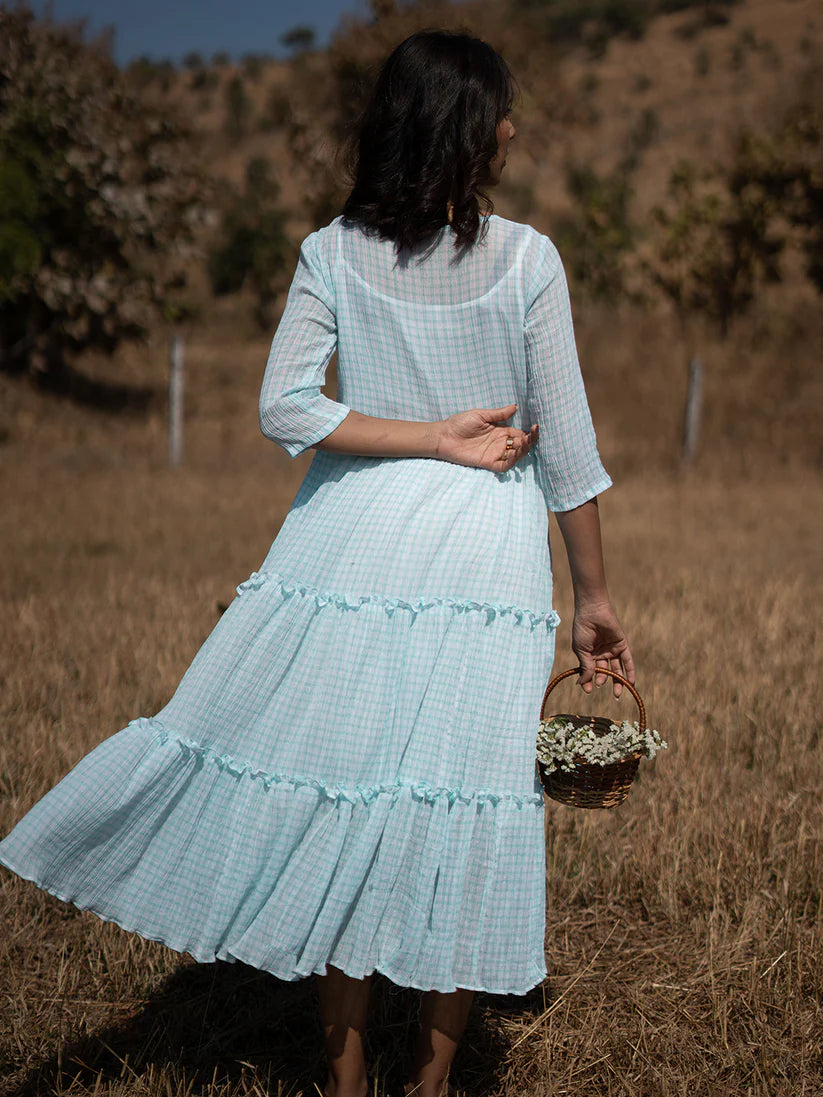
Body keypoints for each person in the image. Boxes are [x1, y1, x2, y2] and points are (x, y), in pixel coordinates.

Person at [0, 29, 634, 1097]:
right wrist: (595, 598)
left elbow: (287, 404)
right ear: (465, 127)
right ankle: (429, 1079)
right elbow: (565, 449)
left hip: (350, 540)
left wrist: (418, 433)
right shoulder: (528, 258)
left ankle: (342, 1076)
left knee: (349, 791)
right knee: (459, 797)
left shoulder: (331, 249)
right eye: (501, 110)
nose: (514, 127)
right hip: (481, 556)